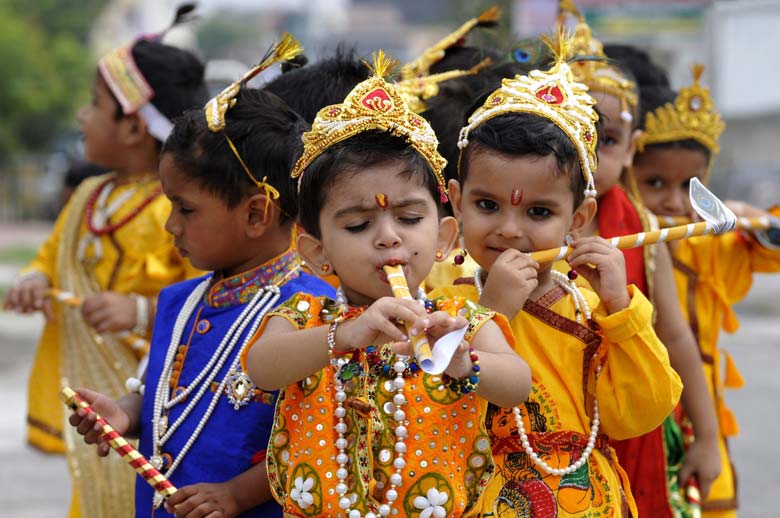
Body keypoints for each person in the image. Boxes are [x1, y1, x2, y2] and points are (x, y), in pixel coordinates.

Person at [244, 51, 531, 517]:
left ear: (443, 237)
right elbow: (261, 368)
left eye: (410, 217)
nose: (389, 236)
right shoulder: (305, 317)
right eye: (358, 226)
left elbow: (518, 383)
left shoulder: (460, 319)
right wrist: (345, 336)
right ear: (318, 254)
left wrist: (464, 361)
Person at [67, 35, 335, 518]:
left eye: (185, 209)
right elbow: (162, 391)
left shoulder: (317, 309)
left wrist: (238, 494)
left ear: (256, 214)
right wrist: (124, 413)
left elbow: (316, 442)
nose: (171, 225)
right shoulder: (179, 301)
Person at [434, 31, 683, 516]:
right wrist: (491, 314)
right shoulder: (438, 295)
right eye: (487, 205)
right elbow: (434, 403)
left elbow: (638, 414)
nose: (510, 230)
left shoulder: (593, 309)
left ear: (578, 220)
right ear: (456, 199)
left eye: (539, 213)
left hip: (587, 501)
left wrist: (621, 311)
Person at [3, 26, 208, 517]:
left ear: (135, 127)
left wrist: (139, 311)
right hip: (97, 410)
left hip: (149, 405)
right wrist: (33, 281)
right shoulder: (85, 198)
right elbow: (51, 257)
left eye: (94, 104)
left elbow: (209, 295)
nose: (81, 115)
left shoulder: (180, 210)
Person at [557, 5, 723, 516]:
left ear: (632, 149)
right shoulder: (522, 228)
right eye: (573, 134)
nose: (588, 154)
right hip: (550, 424)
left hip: (633, 422)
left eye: (604, 141)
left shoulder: (645, 233)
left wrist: (707, 437)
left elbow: (675, 338)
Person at [631, 66, 780, 518]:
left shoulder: (707, 242)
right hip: (644, 416)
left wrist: (749, 217)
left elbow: (773, 251)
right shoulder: (624, 243)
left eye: (690, 187)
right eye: (655, 183)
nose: (675, 203)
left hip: (704, 416)